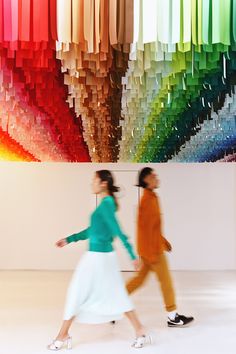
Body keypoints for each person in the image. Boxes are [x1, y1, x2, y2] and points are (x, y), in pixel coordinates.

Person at [48, 170, 152, 350]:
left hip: (99, 259)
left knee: (79, 292)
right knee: (112, 294)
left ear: (103, 183)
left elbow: (117, 230)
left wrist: (133, 255)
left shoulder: (107, 204)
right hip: (98, 258)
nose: (92, 184)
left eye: (94, 180)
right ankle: (140, 330)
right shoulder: (105, 205)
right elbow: (91, 231)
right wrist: (69, 239)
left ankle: (63, 335)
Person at [126, 167, 194, 327]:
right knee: (166, 282)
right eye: (153, 175)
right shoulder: (147, 201)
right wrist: (151, 253)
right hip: (153, 252)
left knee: (139, 281)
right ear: (146, 180)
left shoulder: (152, 197)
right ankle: (173, 317)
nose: (156, 177)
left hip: (151, 249)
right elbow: (145, 230)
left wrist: (164, 241)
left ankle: (113, 303)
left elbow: (153, 228)